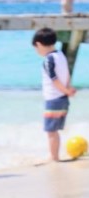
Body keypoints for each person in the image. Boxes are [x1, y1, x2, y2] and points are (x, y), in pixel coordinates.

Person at [32, 27, 77, 161]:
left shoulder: (48, 59)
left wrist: (66, 90)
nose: (36, 51)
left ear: (39, 44)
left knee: (51, 131)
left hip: (54, 99)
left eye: (35, 48)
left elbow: (54, 79)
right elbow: (66, 74)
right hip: (63, 99)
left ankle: (54, 157)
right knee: (54, 130)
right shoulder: (61, 55)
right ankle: (55, 156)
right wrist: (68, 88)